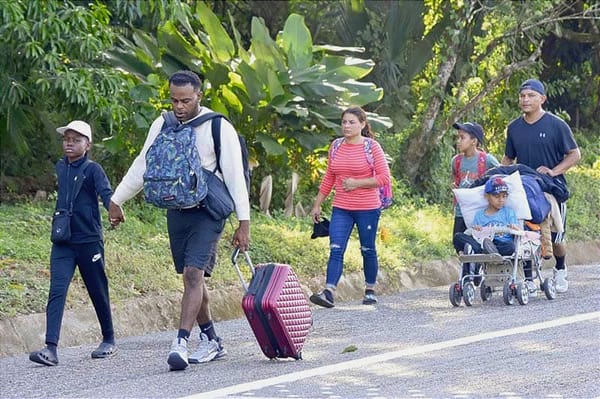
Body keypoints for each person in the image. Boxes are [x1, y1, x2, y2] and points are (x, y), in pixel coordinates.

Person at [108, 70, 250, 371]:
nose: (179, 107)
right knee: (191, 278)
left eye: (185, 100)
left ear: (199, 95)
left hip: (208, 210)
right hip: (176, 208)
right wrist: (117, 199)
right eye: (174, 100)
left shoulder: (217, 126)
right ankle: (212, 339)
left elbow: (236, 176)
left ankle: (181, 343)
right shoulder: (163, 123)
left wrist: (243, 222)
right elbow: (144, 162)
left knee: (193, 274)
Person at [29, 120, 117, 366]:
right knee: (57, 290)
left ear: (87, 145)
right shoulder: (61, 166)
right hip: (63, 240)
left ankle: (109, 339)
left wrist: (114, 208)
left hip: (89, 240)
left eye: (76, 140)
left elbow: (106, 193)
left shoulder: (93, 169)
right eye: (66, 139)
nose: (69, 143)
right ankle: (51, 348)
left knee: (97, 290)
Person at [501, 78, 581, 293]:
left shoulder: (556, 125)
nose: (525, 99)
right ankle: (529, 279)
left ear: (542, 99)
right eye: (522, 96)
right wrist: (500, 178)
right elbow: (508, 158)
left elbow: (574, 154)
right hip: (524, 190)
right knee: (525, 235)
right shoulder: (514, 128)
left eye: (531, 96)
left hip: (552, 190)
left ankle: (561, 269)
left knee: (556, 237)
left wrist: (554, 171)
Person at [309, 106, 391, 308]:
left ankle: (370, 289)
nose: (346, 126)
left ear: (362, 124)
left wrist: (357, 183)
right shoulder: (336, 146)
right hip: (341, 208)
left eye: (352, 122)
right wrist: (318, 204)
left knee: (367, 248)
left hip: (368, 208)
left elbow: (384, 178)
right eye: (344, 122)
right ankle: (329, 292)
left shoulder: (371, 147)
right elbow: (330, 176)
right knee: (336, 248)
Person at [452, 177, 537, 293]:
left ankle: (488, 250)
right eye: (497, 197)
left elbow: (516, 228)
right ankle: (481, 249)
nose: (501, 200)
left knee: (510, 246)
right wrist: (476, 229)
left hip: (502, 243)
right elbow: (475, 233)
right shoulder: (479, 215)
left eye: (504, 196)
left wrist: (513, 227)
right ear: (487, 197)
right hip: (483, 242)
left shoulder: (508, 212)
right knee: (458, 236)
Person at [451, 121, 499, 238]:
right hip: (460, 211)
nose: (458, 141)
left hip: (481, 211)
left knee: (479, 242)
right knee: (458, 241)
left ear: (474, 141)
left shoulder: (487, 160)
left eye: (462, 138)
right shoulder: (456, 161)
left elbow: (501, 176)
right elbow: (455, 179)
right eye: (458, 137)